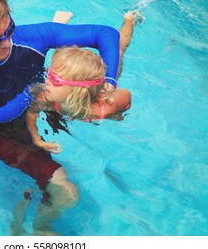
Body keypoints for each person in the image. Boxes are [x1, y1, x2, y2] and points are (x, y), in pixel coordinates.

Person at [0, 0, 121, 235]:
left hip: (38, 105)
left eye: (8, 31)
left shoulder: (33, 36)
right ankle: (40, 227)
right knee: (66, 192)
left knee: (111, 109)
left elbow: (106, 33)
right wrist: (29, 93)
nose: (5, 44)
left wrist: (109, 81)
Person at [26, 11, 142, 154]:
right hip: (87, 90)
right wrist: (37, 139)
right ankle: (56, 27)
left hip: (106, 84)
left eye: (55, 79)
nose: (46, 80)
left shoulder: (104, 108)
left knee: (118, 51)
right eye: (49, 73)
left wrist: (117, 111)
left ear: (78, 91)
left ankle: (129, 20)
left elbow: (126, 94)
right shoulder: (45, 98)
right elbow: (32, 114)